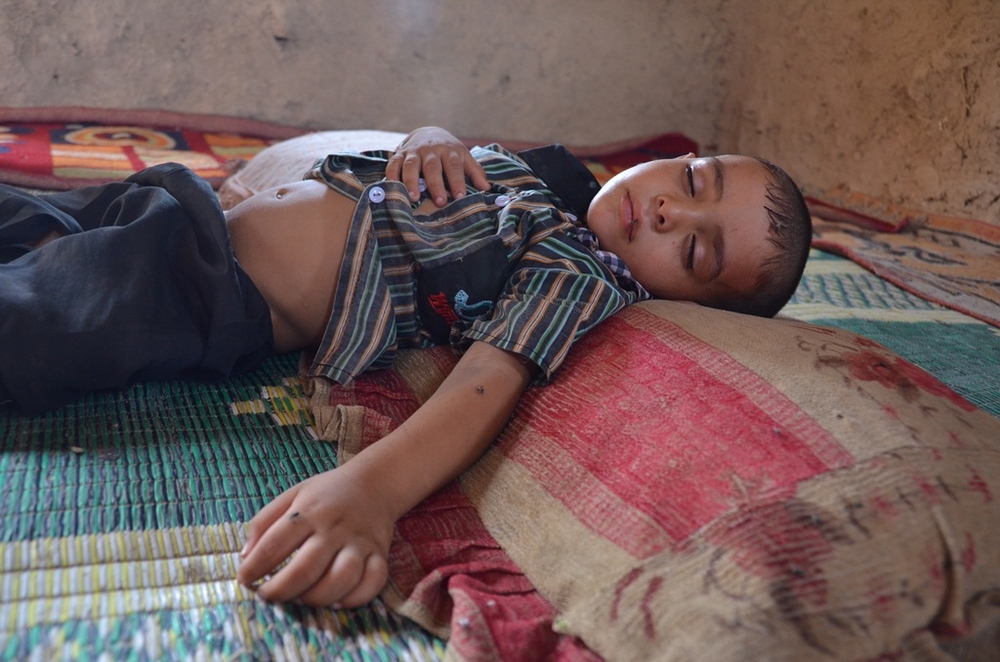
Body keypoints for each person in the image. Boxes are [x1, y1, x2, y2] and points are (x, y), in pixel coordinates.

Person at [0, 126, 812, 608]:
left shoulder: (577, 278)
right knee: (23, 217)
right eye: (693, 179)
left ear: (688, 304)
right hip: (190, 209)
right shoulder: (551, 180)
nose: (672, 208)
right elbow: (433, 155)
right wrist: (429, 137)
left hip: (205, 293)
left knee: (33, 329)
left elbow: (487, 382)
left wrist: (371, 492)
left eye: (696, 250)